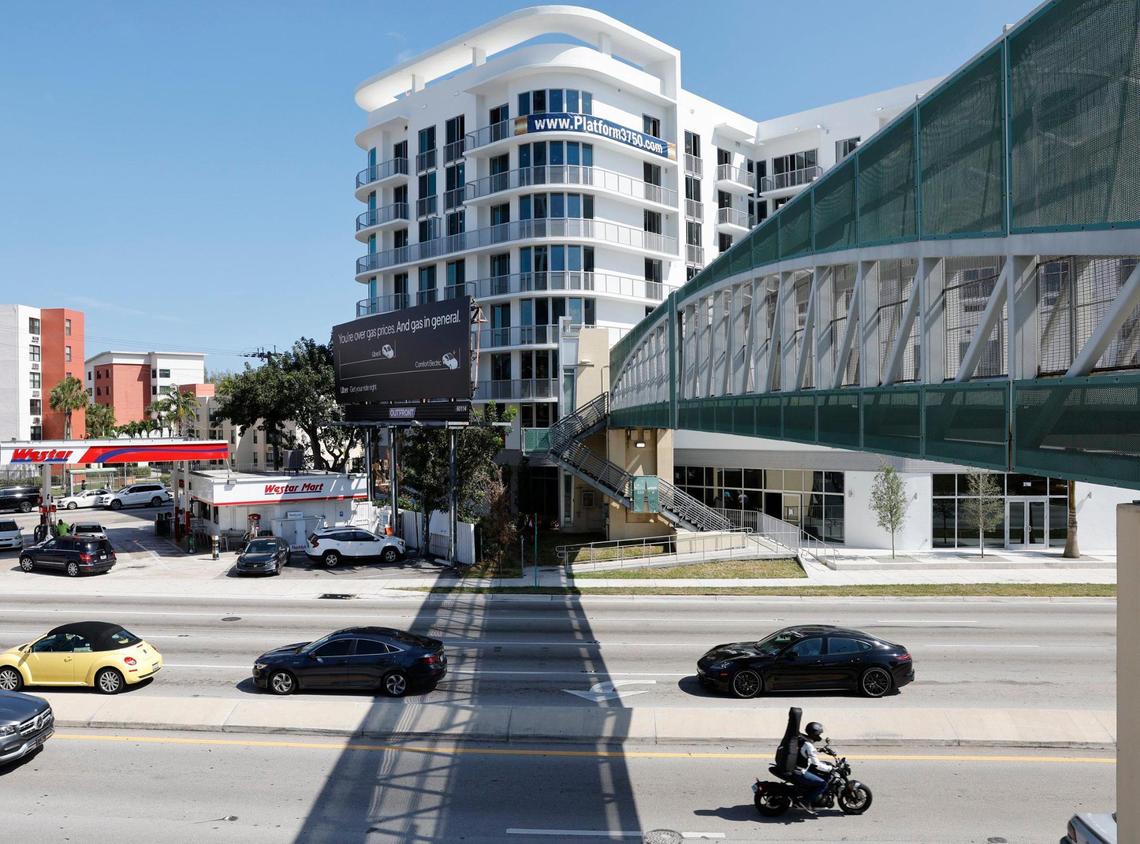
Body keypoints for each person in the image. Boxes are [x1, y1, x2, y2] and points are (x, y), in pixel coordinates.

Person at [792, 721, 833, 815]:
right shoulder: (808, 745)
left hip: (797, 767)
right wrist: (830, 768)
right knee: (823, 784)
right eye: (819, 734)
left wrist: (819, 750)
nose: (820, 736)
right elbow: (817, 764)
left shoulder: (803, 740)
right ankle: (805, 802)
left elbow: (804, 751)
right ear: (814, 734)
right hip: (800, 771)